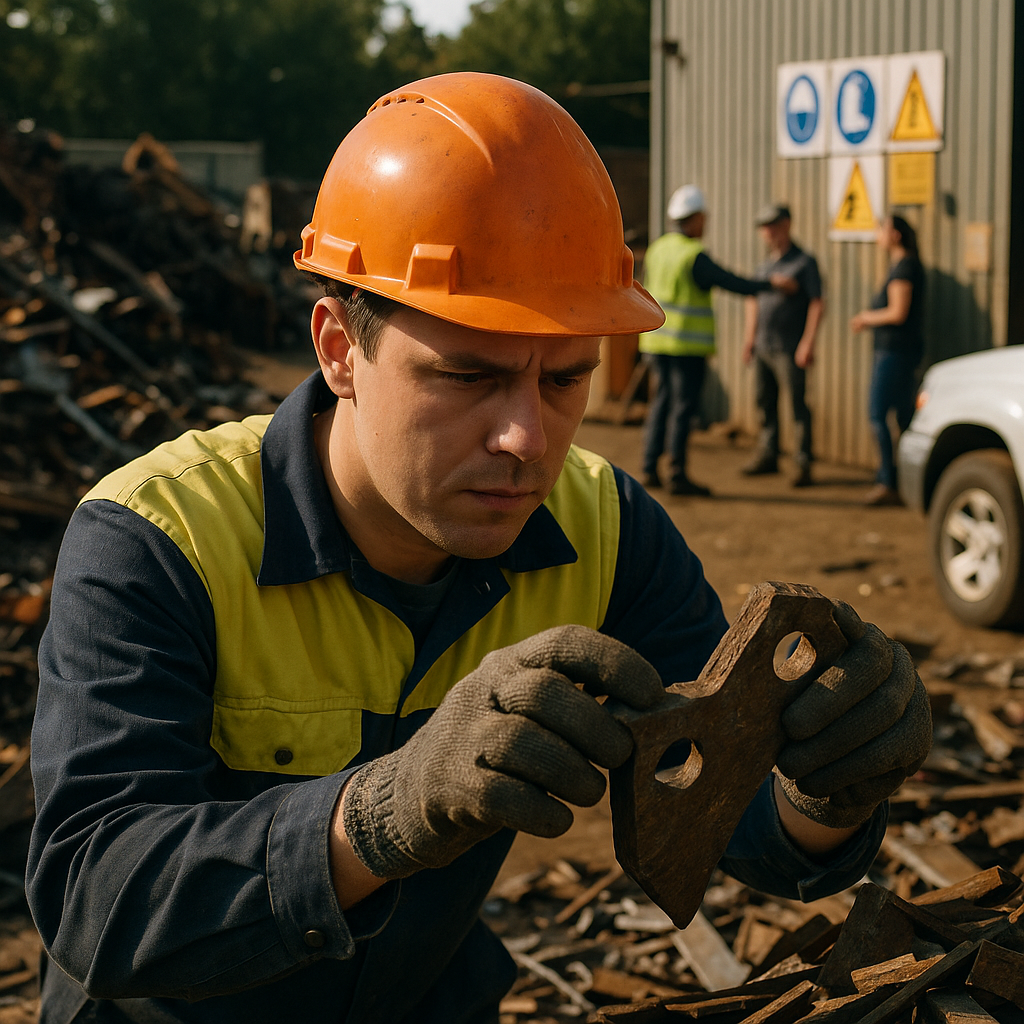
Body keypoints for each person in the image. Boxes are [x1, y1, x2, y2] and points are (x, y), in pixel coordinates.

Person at [27, 74, 931, 1024]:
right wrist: (380, 813)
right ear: (339, 348)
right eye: (468, 375)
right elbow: (97, 900)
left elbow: (720, 818)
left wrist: (823, 788)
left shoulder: (605, 531)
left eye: (566, 380)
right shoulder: (161, 539)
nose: (528, 442)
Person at [639, 185, 794, 497]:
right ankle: (677, 473)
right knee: (683, 409)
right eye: (703, 218)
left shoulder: (659, 248)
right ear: (694, 219)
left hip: (656, 343)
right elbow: (730, 281)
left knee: (661, 404)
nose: (705, 224)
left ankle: (649, 467)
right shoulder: (693, 255)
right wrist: (771, 284)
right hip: (685, 346)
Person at [742, 204, 825, 487]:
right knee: (764, 402)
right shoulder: (765, 265)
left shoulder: (803, 262)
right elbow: (753, 300)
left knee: (797, 405)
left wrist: (808, 342)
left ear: (787, 225)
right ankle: (768, 455)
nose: (768, 233)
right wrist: (749, 338)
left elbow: (817, 303)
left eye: (773, 226)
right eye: (765, 228)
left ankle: (803, 463)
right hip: (764, 345)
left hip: (789, 348)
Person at [851, 215, 925, 506]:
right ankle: (904, 480)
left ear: (895, 234)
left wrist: (865, 318)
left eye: (881, 229)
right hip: (899, 351)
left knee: (877, 414)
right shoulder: (902, 266)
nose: (877, 235)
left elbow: (897, 312)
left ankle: (887, 481)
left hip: (895, 352)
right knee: (903, 417)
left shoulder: (904, 268)